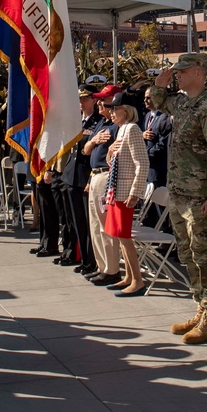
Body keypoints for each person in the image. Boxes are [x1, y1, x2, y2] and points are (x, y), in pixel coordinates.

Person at [150, 53, 207, 345]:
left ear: (198, 72)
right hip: (179, 192)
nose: (177, 75)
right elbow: (159, 102)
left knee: (205, 254)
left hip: (198, 196)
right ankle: (199, 306)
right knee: (187, 253)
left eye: (182, 71)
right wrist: (160, 83)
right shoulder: (181, 102)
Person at [101, 91, 150, 297]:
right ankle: (129, 277)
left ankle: (137, 280)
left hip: (125, 192)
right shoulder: (121, 130)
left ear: (126, 110)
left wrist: (136, 191)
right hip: (116, 190)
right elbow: (113, 163)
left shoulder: (132, 129)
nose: (112, 112)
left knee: (124, 236)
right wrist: (111, 151)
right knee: (120, 236)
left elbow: (142, 163)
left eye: (115, 108)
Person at [59, 88, 102, 275]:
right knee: (76, 221)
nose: (81, 102)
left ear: (93, 100)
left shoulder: (98, 122)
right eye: (79, 98)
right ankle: (84, 259)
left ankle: (92, 261)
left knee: (88, 221)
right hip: (71, 175)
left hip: (86, 175)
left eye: (85, 98)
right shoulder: (76, 120)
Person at [83, 85, 123, 286]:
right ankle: (102, 267)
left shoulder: (118, 126)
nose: (99, 103)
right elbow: (86, 150)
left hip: (107, 177)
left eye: (102, 100)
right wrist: (94, 141)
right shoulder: (101, 124)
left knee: (106, 226)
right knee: (96, 225)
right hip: (96, 176)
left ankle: (112, 269)